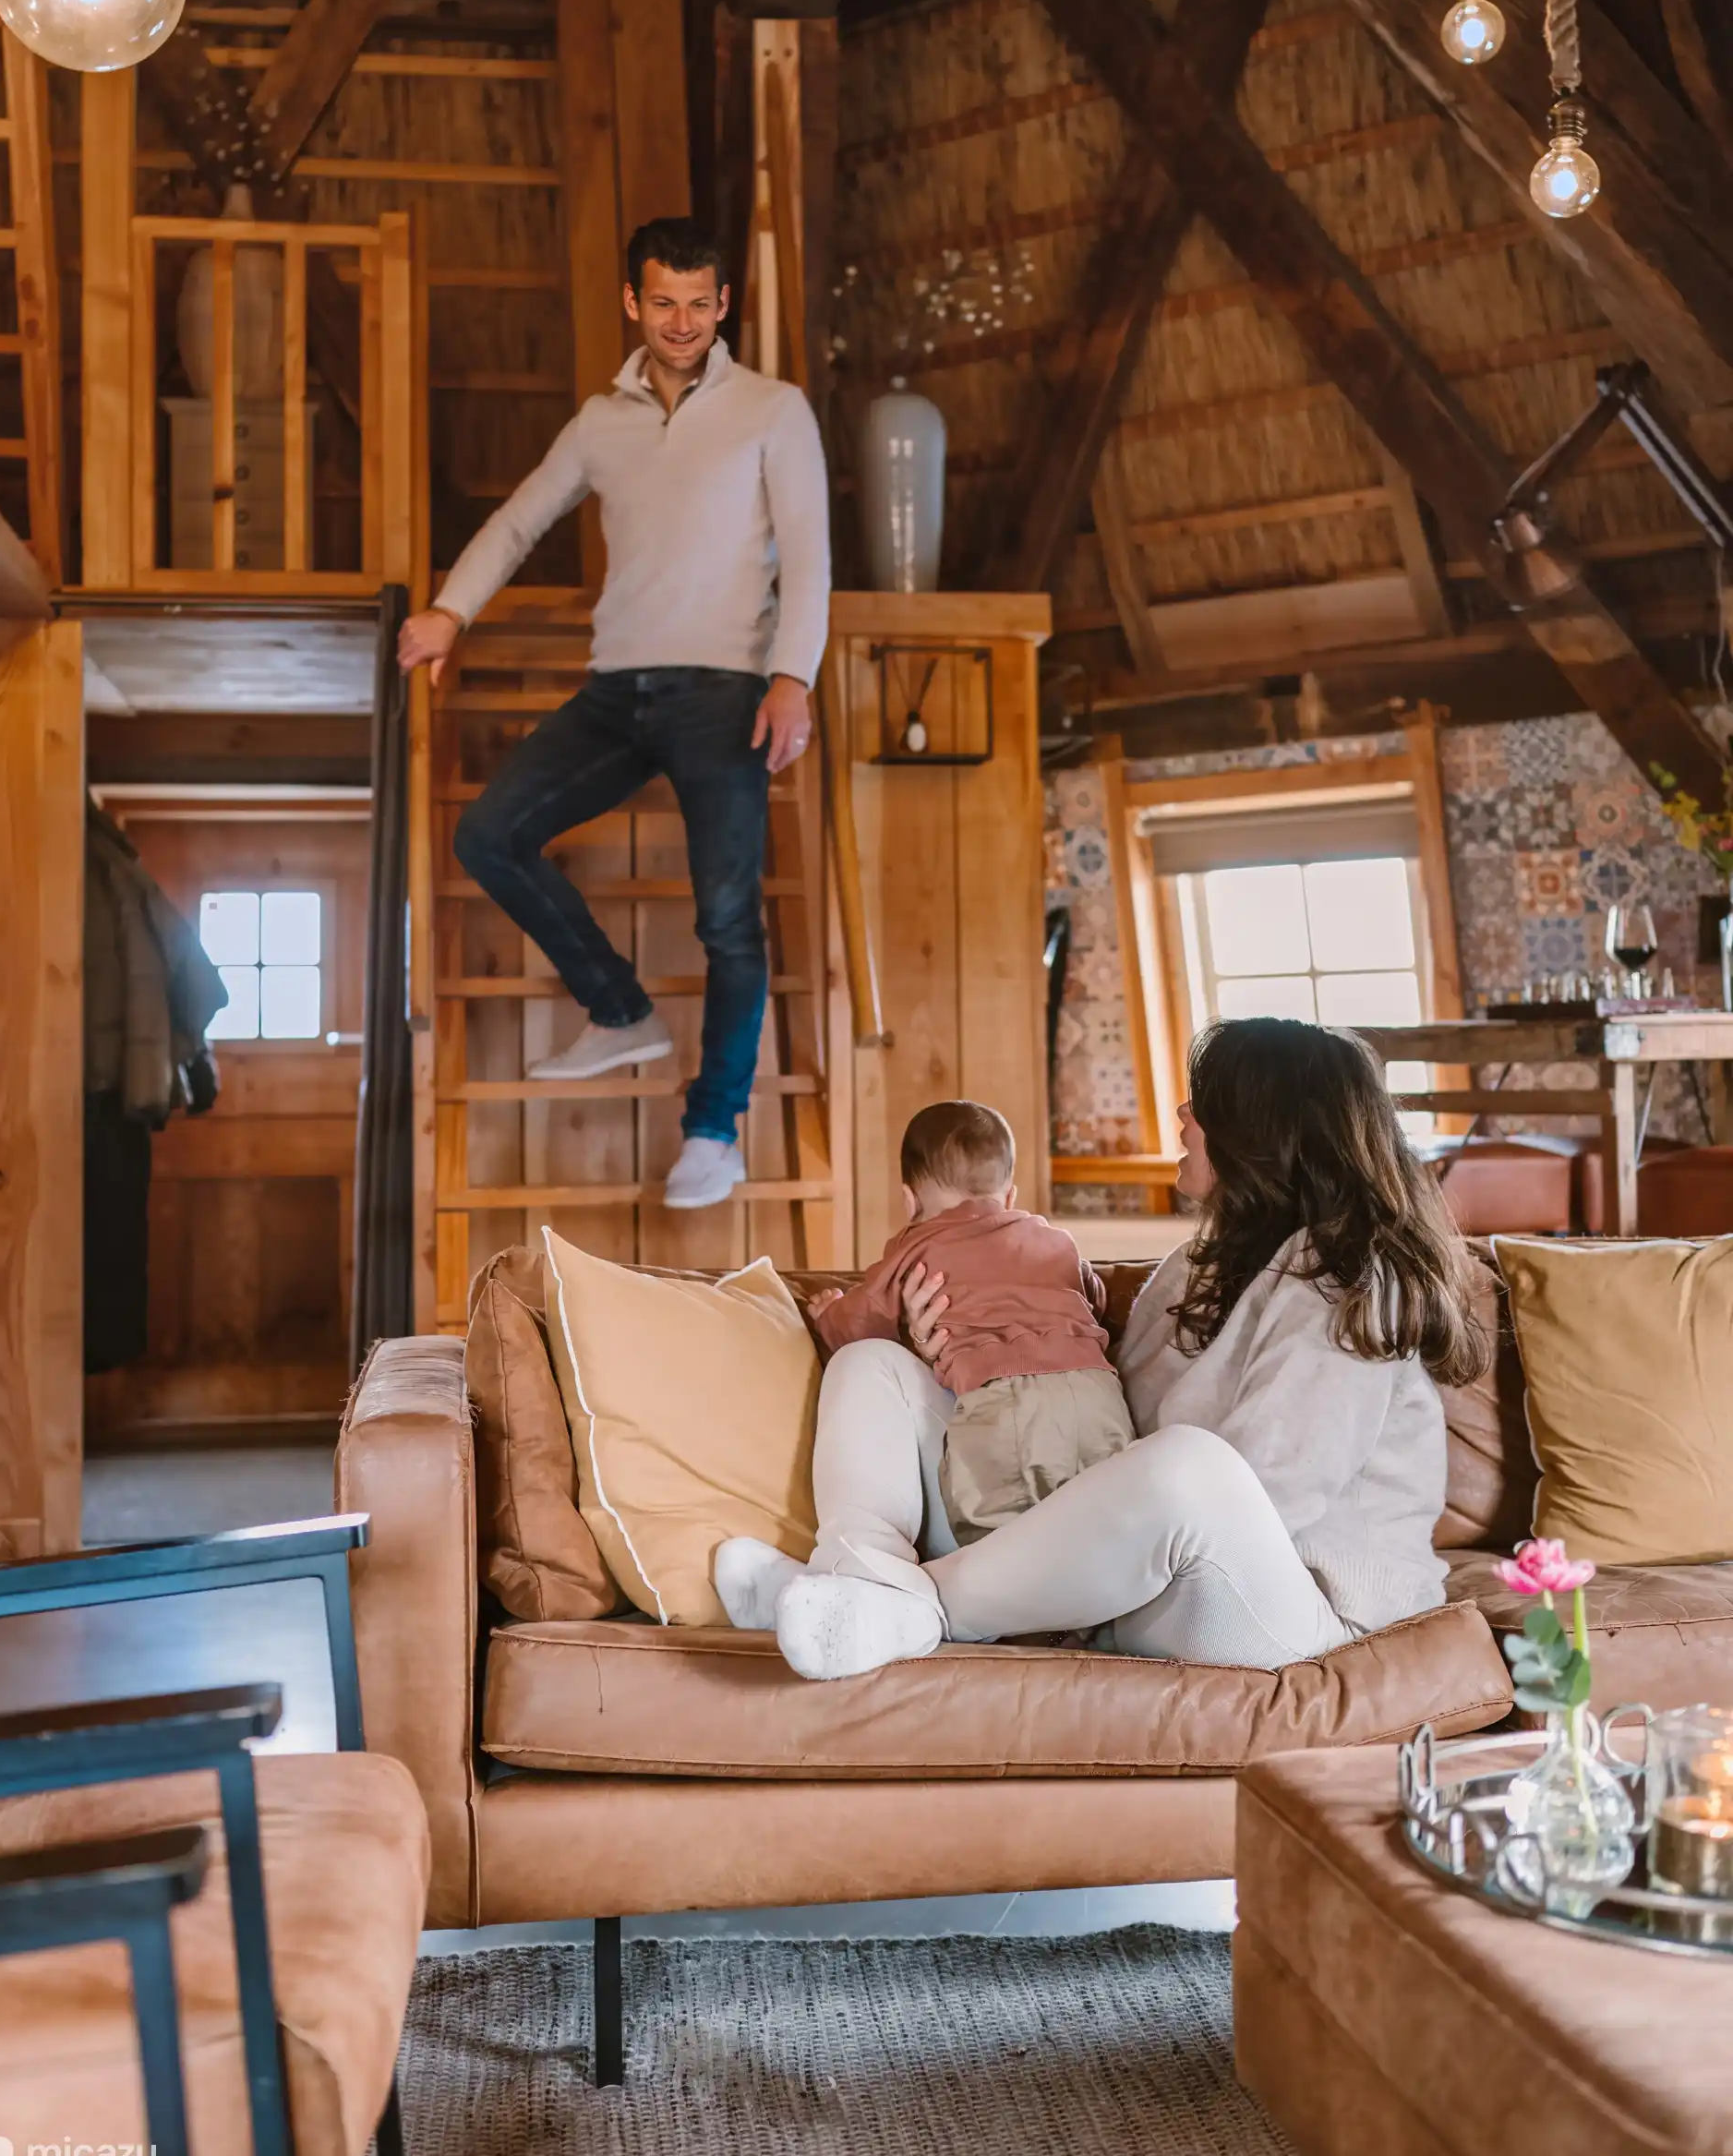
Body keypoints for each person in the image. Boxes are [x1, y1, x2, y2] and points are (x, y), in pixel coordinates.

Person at [716, 1018, 1488, 1680]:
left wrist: (1082, 1552)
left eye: (1203, 1104)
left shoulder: (1354, 1277)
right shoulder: (1195, 1266)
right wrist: (936, 1340)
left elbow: (1267, 1491)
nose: (1183, 1116)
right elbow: (1088, 1407)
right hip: (1112, 1573)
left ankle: (907, 1608)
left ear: (1258, 1133)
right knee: (874, 1366)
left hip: (1284, 1609)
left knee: (1190, 1468)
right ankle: (852, 1570)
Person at [396, 218, 831, 1210]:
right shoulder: (601, 422)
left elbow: (808, 555)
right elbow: (518, 519)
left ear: (723, 307)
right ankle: (619, 1007)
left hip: (726, 690)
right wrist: (449, 612)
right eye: (661, 301)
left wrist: (792, 677)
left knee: (728, 919)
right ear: (634, 303)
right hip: (615, 690)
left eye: (698, 302)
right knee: (488, 832)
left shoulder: (773, 410)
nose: (680, 321)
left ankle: (713, 1132)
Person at [785, 1100, 1132, 1559]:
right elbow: (1095, 1297)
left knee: (997, 1539)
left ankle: (1019, 1622)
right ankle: (1093, 1620)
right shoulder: (1054, 1240)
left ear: (910, 1200)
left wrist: (827, 1313)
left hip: (1002, 1403)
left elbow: (857, 1324)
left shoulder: (917, 1248)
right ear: (1010, 1196)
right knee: (1104, 1530)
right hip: (1097, 1396)